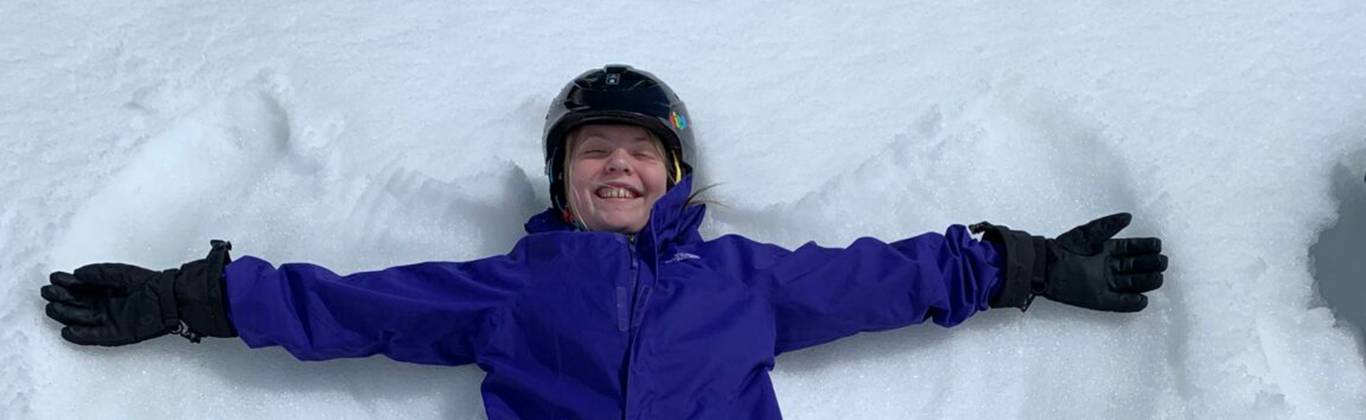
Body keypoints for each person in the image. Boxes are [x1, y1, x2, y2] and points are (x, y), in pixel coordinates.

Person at [40, 65, 1168, 419]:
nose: (617, 165)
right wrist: (193, 297)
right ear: (563, 181)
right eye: (594, 151)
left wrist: (1023, 263)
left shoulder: (741, 281)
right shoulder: (509, 288)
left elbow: (882, 278)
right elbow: (351, 306)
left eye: (640, 151)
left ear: (675, 176)